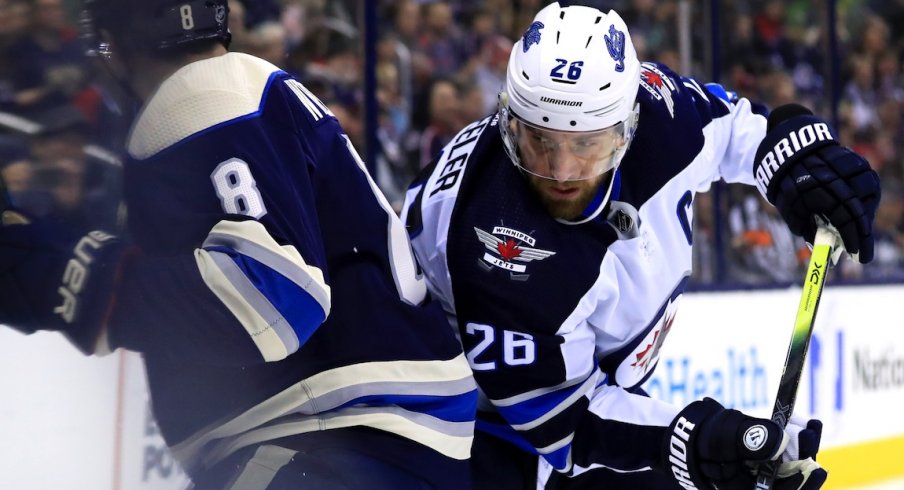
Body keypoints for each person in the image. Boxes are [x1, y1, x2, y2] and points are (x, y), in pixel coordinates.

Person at [402, 3, 880, 490]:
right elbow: (567, 422)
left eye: (586, 144)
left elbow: (735, 130)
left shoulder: (661, 110)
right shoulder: (498, 247)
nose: (562, 171)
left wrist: (793, 158)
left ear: (628, 127)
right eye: (541, 142)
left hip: (566, 386)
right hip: (469, 426)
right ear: (511, 123)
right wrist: (694, 441)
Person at [0, 1, 477, 489]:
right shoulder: (245, 91)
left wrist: (82, 281)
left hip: (341, 434)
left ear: (119, 42)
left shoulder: (200, 95)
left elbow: (275, 295)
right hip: (368, 440)